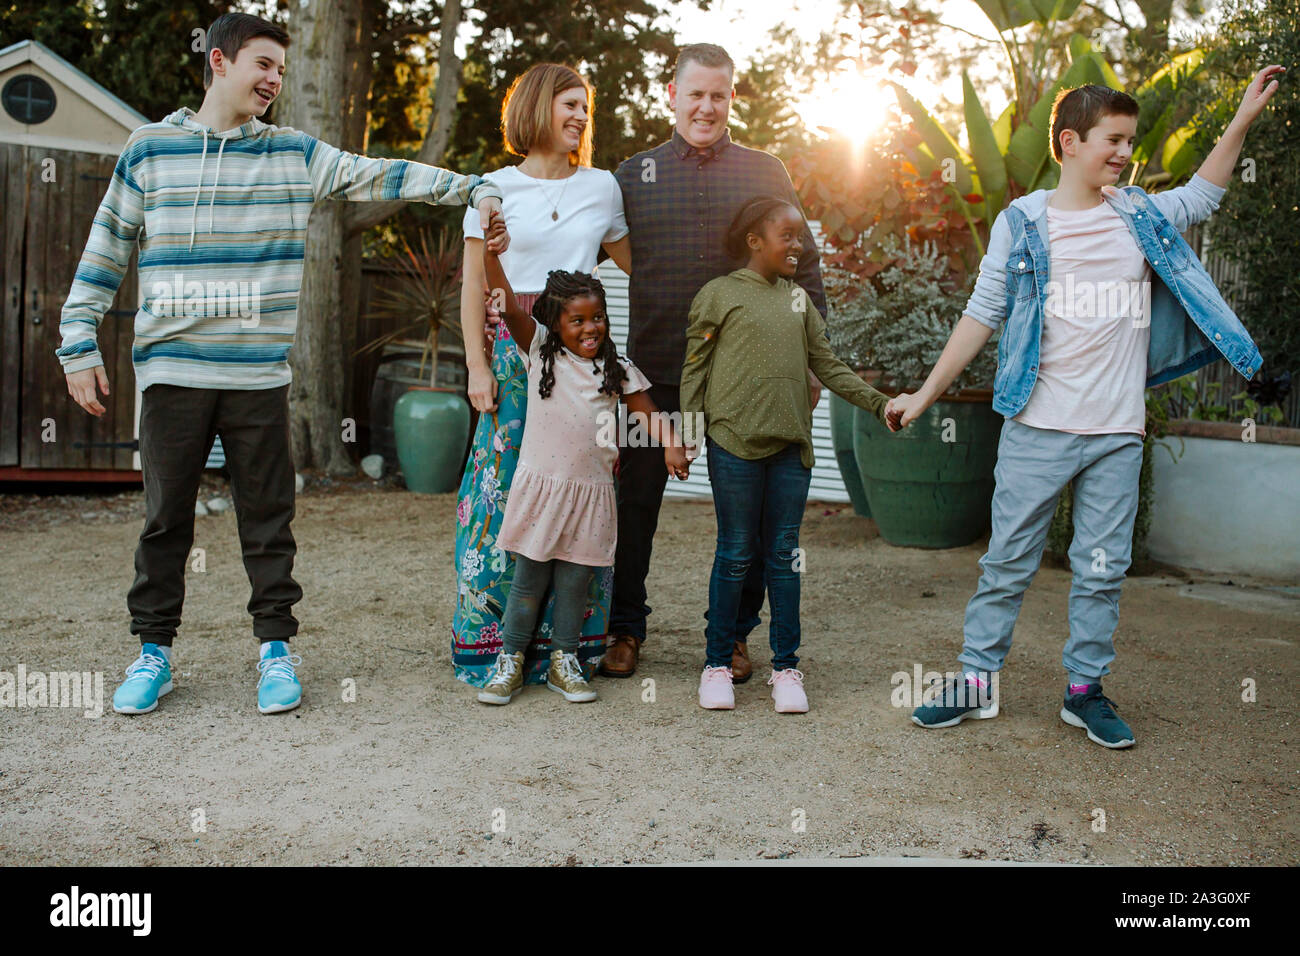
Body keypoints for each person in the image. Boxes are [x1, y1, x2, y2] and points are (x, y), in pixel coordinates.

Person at [57, 12, 507, 715]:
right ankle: (153, 653)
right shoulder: (150, 150)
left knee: (268, 520)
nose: (273, 79)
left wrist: (470, 185)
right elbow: (106, 247)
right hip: (172, 373)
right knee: (164, 521)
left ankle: (274, 652)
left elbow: (380, 175)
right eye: (262, 64)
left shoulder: (294, 154)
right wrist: (77, 342)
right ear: (219, 62)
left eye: (280, 69)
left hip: (256, 379)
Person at [891, 69, 1284, 748]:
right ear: (1069, 142)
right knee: (1006, 563)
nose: (1124, 153)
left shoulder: (1137, 214)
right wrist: (925, 393)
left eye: (1129, 141)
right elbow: (982, 313)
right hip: (1036, 425)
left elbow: (1202, 197)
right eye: (1113, 139)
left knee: (1102, 570)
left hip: (1115, 433)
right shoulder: (1024, 221)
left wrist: (1243, 116)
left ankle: (1084, 692)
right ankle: (977, 683)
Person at [605, 43, 827, 681]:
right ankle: (625, 628)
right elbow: (591, 245)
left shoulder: (764, 170)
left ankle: (733, 636)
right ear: (670, 95)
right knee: (636, 502)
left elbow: (801, 262)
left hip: (745, 376)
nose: (706, 106)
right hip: (653, 372)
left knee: (752, 516)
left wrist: (810, 360)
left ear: (733, 98)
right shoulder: (631, 174)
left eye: (719, 95)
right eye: (695, 93)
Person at [453, 64, 632, 688]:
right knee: (505, 494)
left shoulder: (604, 188)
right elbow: (475, 287)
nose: (582, 116)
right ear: (535, 108)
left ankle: (569, 651)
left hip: (580, 362)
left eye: (587, 106)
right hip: (510, 351)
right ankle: (496, 648)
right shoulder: (491, 189)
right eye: (570, 105)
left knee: (580, 488)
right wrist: (478, 367)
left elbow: (643, 270)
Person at [681, 197, 896, 712]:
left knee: (783, 558)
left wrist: (880, 404)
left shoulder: (800, 301)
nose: (798, 244)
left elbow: (829, 364)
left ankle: (786, 669)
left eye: (801, 236)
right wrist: (683, 436)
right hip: (733, 445)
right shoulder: (718, 295)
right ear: (755, 241)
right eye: (788, 235)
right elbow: (694, 368)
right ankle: (715, 666)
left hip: (790, 450)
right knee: (734, 554)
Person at [476, 212, 689, 705]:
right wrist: (491, 255)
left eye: (597, 318)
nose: (590, 328)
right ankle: (509, 660)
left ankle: (563, 661)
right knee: (528, 582)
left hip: (591, 494)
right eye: (578, 320)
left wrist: (672, 444)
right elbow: (505, 302)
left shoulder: (618, 368)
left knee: (574, 583)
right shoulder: (542, 350)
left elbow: (647, 413)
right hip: (542, 489)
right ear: (556, 322)